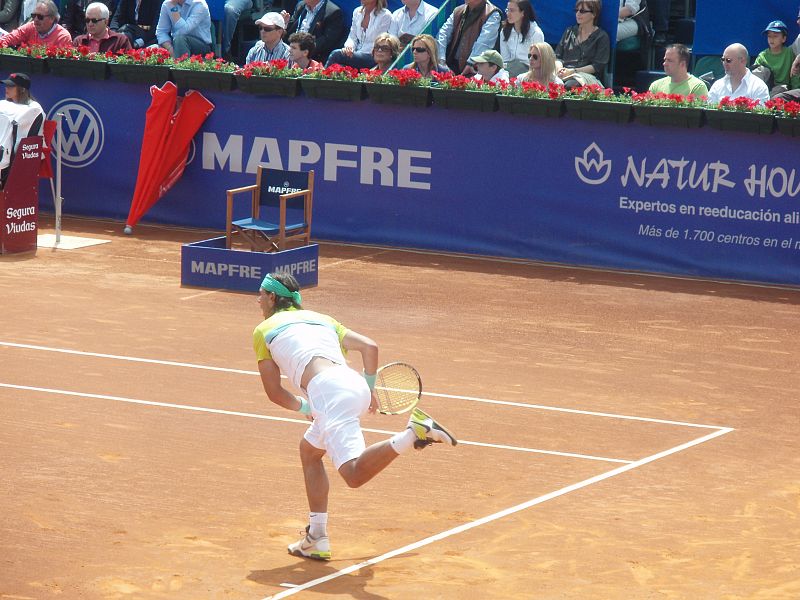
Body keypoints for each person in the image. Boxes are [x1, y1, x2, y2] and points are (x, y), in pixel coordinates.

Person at [253, 272, 456, 561]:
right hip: (351, 384)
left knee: (353, 474)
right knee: (310, 452)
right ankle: (316, 538)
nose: (257, 299)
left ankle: (412, 432)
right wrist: (369, 389)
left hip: (327, 392)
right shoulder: (323, 318)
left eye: (261, 293)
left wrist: (307, 408)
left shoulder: (263, 330)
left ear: (272, 297)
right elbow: (370, 347)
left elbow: (274, 392)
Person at [554, 0, 610, 89]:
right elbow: (557, 56)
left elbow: (598, 65)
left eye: (582, 11)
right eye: (577, 10)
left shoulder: (601, 37)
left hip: (585, 76)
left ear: (594, 14)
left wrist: (573, 71)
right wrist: (559, 69)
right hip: (564, 73)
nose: (578, 14)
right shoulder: (569, 31)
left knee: (569, 85)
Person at [437, 0, 502, 76]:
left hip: (475, 70)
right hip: (452, 66)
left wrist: (471, 63)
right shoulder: (458, 10)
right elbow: (443, 34)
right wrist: (441, 60)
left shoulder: (493, 13)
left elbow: (484, 43)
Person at [325, 0, 391, 69]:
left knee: (336, 54)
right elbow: (352, 36)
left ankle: (319, 77)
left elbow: (379, 42)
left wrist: (355, 53)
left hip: (372, 55)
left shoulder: (385, 15)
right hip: (357, 53)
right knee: (340, 67)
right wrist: (349, 47)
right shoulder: (357, 12)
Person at [281, 0, 346, 64]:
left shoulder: (333, 12)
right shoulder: (301, 5)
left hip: (312, 56)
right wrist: (283, 24)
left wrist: (303, 48)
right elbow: (290, 29)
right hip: (292, 50)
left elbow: (328, 40)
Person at [753, 20, 799, 97]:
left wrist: (796, 90)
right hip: (765, 88)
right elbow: (755, 76)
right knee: (759, 70)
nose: (771, 39)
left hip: (782, 89)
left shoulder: (789, 53)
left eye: (775, 36)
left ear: (784, 39)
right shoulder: (762, 55)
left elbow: (794, 73)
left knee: (781, 90)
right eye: (769, 36)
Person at [0, 0, 72, 49]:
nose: (36, 19)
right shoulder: (30, 27)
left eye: (40, 17)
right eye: (34, 16)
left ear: (52, 18)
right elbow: (7, 39)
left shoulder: (63, 37)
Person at [499, 0, 542, 78]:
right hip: (509, 67)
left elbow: (538, 61)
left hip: (528, 69)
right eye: (507, 10)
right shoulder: (504, 31)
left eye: (512, 10)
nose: (508, 14)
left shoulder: (536, 33)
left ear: (523, 13)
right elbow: (505, 59)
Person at [2, 72, 42, 137]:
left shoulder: (34, 108)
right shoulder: (3, 104)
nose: (7, 88)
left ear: (22, 89)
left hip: (28, 145)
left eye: (11, 86)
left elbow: (23, 134)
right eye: (6, 85)